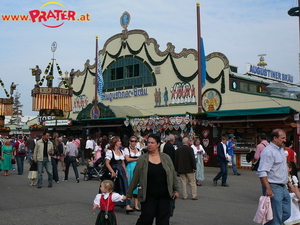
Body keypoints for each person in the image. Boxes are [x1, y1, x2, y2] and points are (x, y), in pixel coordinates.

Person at [127, 134, 179, 224]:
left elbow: (172, 175)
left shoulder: (166, 158)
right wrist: (129, 193)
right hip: (148, 196)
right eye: (148, 143)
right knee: (146, 219)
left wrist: (176, 189)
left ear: (158, 144)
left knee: (163, 221)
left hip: (165, 195)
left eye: (152, 143)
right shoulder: (143, 159)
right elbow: (136, 177)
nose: (149, 145)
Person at [257, 129, 291, 225]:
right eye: (282, 138)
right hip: (274, 186)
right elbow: (262, 171)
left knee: (287, 213)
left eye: (285, 138)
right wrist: (268, 188)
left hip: (283, 186)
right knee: (275, 217)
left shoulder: (280, 149)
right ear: (275, 138)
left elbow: (282, 169)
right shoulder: (268, 151)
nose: (285, 140)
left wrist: (288, 182)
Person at [105, 136, 133, 214]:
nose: (120, 142)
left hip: (121, 170)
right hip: (114, 170)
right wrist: (112, 172)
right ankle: (112, 203)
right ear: (115, 143)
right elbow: (107, 163)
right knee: (114, 188)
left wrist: (126, 172)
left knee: (125, 187)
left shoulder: (121, 151)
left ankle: (127, 205)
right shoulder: (110, 152)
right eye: (118, 141)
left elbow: (123, 163)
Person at [124, 135, 142, 211]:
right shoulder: (126, 149)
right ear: (129, 142)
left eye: (135, 141)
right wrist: (137, 159)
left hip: (137, 168)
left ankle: (136, 205)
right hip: (130, 168)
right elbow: (127, 159)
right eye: (132, 141)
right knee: (129, 185)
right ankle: (127, 204)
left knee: (137, 186)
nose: (133, 143)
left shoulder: (138, 149)